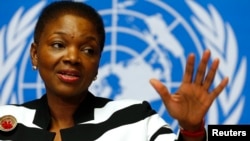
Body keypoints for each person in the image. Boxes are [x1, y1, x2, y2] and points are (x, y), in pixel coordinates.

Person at [0, 1, 228, 141]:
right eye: (59, 45)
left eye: (88, 50)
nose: (72, 57)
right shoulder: (5, 120)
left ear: (98, 63)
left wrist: (192, 131)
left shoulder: (137, 120)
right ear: (35, 53)